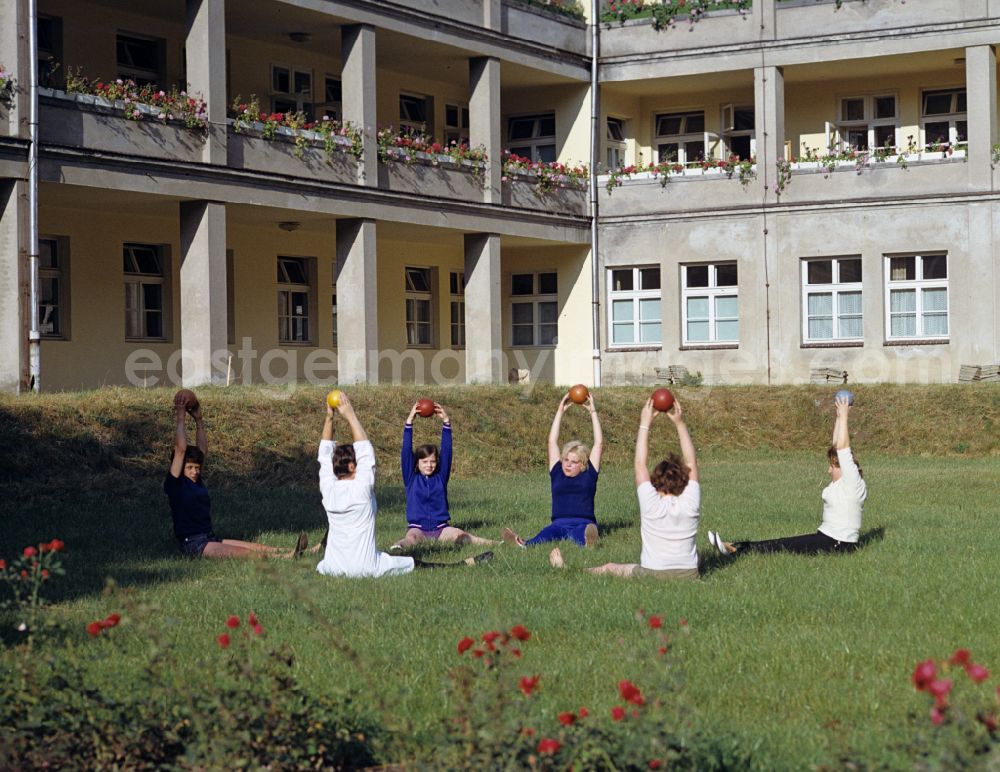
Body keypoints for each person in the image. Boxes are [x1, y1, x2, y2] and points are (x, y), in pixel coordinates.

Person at [316, 392, 492, 577]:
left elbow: (325, 454)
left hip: (332, 567)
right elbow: (365, 449)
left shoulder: (327, 489)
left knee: (325, 564)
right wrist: (350, 414)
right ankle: (458, 566)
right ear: (353, 466)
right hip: (367, 567)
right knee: (411, 562)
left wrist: (329, 416)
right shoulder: (362, 489)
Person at [551, 397, 700, 579]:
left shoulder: (650, 503)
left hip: (652, 574)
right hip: (690, 574)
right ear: (685, 481)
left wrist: (645, 423)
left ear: (654, 482)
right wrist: (680, 423)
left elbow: (639, 464)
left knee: (610, 567)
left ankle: (567, 570)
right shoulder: (691, 502)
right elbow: (691, 462)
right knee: (700, 556)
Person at [708, 394, 866, 556]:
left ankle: (736, 550)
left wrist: (845, 414)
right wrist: (839, 417)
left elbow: (842, 448)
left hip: (838, 544)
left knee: (784, 545)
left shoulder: (852, 481)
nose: (828, 470)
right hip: (828, 539)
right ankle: (735, 547)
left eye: (831, 466)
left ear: (841, 466)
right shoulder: (842, 483)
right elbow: (836, 446)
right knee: (784, 543)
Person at [164, 391, 307, 559]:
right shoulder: (175, 484)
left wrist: (199, 421)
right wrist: (180, 416)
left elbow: (202, 450)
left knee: (258, 547)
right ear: (180, 467)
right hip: (194, 544)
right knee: (249, 554)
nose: (195, 471)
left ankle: (306, 551)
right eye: (190, 468)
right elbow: (180, 449)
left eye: (197, 467)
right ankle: (288, 558)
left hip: (210, 537)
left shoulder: (196, 480)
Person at [390, 401, 496, 552]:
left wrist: (446, 422)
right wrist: (409, 423)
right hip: (418, 529)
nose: (429, 465)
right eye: (425, 461)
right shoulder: (411, 478)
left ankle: (495, 543)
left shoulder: (441, 477)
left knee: (460, 534)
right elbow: (406, 451)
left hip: (441, 529)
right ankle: (397, 547)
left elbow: (447, 451)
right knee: (411, 539)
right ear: (417, 462)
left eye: (432, 461)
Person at [501, 392, 603, 549]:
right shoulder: (557, 472)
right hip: (558, 524)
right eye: (566, 460)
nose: (568, 464)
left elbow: (599, 444)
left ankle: (589, 539)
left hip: (582, 522)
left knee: (580, 536)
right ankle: (522, 544)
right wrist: (560, 411)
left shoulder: (589, 474)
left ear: (582, 465)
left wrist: (593, 412)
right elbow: (551, 442)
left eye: (573, 462)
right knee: (543, 536)